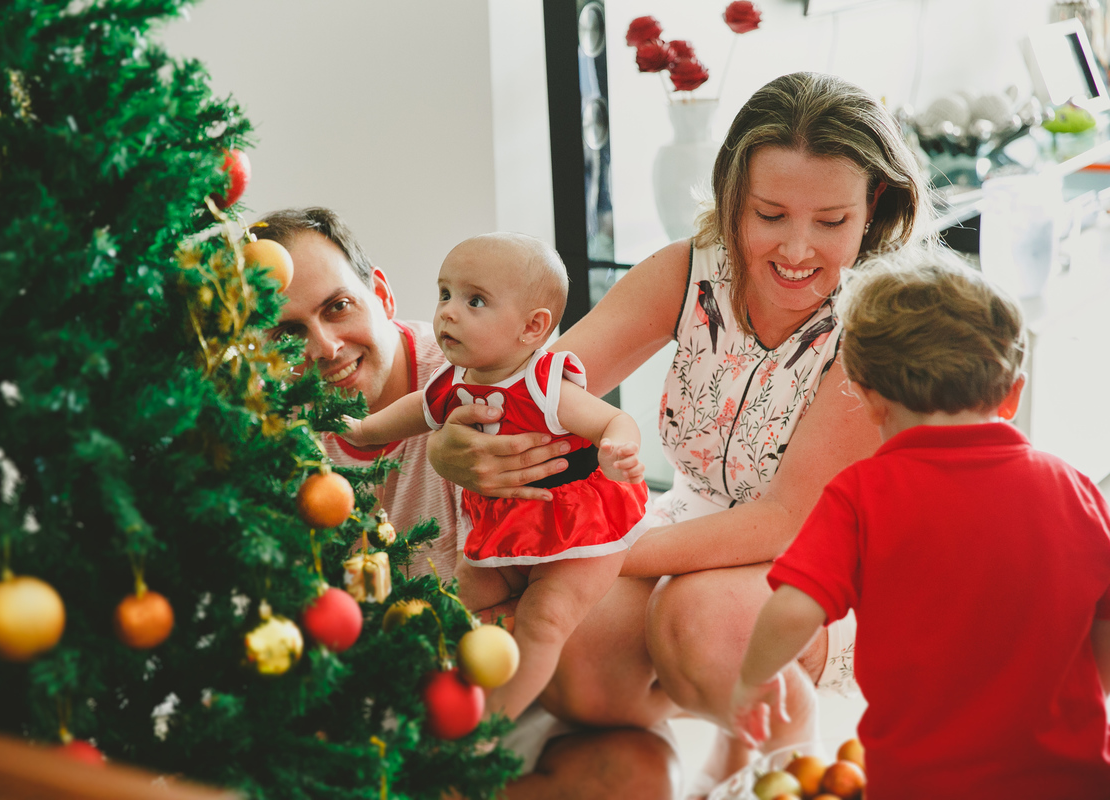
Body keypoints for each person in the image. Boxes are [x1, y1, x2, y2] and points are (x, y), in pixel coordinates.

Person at [426, 71, 930, 794]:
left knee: (699, 618)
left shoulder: (874, 325)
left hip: (831, 560)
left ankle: (791, 752)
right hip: (692, 523)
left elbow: (785, 523)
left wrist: (599, 551)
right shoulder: (691, 271)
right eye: (770, 214)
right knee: (578, 652)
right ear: (733, 195)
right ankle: (715, 737)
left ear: (873, 204)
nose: (797, 249)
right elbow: (540, 389)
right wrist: (457, 441)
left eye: (831, 222)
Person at [730, 250, 1110, 796]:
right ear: (1012, 394)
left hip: (921, 782)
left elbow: (793, 610)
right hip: (1071, 778)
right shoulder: (1075, 489)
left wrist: (752, 680)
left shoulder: (862, 496)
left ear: (869, 399)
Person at [343, 232, 650, 721]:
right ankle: (433, 694)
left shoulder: (544, 383)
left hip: (575, 522)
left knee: (544, 619)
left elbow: (612, 420)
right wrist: (362, 431)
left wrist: (619, 451)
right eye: (445, 294)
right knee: (458, 596)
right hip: (506, 524)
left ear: (532, 327)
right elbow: (413, 412)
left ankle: (494, 724)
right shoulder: (452, 381)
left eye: (475, 301)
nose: (448, 312)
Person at [252, 207, 464, 581]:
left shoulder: (468, 385)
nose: (326, 348)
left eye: (338, 307)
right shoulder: (276, 433)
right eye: (288, 334)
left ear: (382, 295)